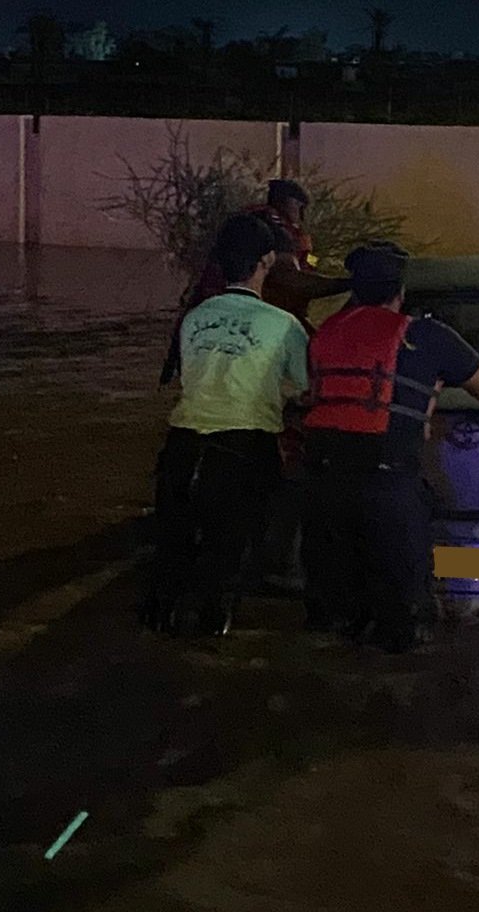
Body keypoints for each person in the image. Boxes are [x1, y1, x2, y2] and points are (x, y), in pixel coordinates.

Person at [301, 241, 479, 653]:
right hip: (387, 486)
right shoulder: (424, 335)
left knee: (335, 615)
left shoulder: (326, 333)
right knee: (405, 617)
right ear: (400, 291)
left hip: (322, 485)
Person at [143, 214, 310, 637]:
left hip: (181, 447)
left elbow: (191, 379)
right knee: (229, 560)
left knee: (171, 558)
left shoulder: (196, 315)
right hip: (243, 451)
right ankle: (212, 645)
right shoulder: (285, 326)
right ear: (267, 260)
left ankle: (157, 639)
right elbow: (307, 391)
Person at [159, 179, 349, 388]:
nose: (302, 216)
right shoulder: (270, 228)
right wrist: (346, 284)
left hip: (219, 307)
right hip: (236, 305)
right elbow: (291, 280)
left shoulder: (255, 223)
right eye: (299, 208)